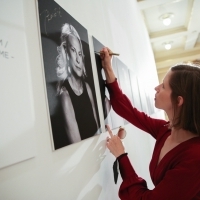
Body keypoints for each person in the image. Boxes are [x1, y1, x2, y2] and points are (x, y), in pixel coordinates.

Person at [100, 47, 200, 199]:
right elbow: (128, 111)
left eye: (164, 86)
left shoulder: (194, 159)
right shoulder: (165, 129)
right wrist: (108, 68)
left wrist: (122, 156)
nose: (156, 88)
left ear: (179, 101)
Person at [55, 23, 99, 144]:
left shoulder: (87, 88)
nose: (78, 60)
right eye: (73, 51)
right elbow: (78, 146)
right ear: (66, 51)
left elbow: (97, 129)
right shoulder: (65, 96)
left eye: (80, 53)